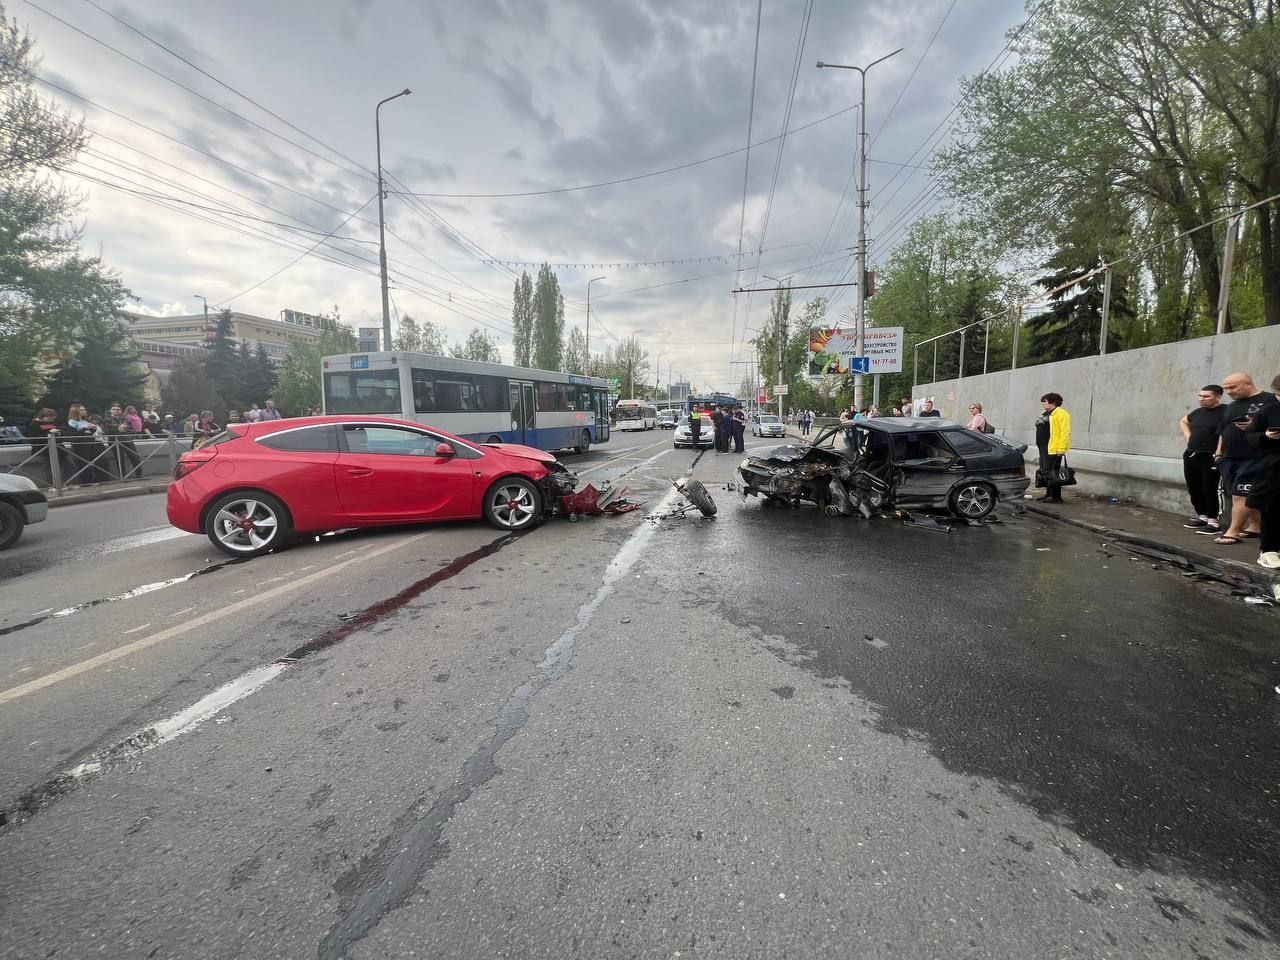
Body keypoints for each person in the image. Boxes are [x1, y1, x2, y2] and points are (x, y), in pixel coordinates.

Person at [1206, 372, 1280, 545]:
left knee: (1241, 494)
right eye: (1226, 388)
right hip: (1230, 457)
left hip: (1254, 457)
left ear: (1247, 383)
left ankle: (1233, 531)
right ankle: (1255, 527)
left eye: (1233, 387)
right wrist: (1218, 454)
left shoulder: (1270, 400)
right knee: (1241, 494)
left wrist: (1254, 426)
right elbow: (1223, 431)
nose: (1229, 391)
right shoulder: (1232, 406)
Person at [1178, 384, 1226, 531]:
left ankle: (1213, 521)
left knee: (1209, 488)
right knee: (1194, 486)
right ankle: (1202, 516)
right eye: (1200, 396)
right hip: (1192, 454)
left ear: (1217, 397)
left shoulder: (1226, 411)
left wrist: (1219, 452)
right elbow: (1183, 421)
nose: (1201, 399)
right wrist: (1188, 436)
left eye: (1206, 396)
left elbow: (1226, 433)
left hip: (1210, 455)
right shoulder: (1198, 412)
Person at [1247, 374, 1280, 568]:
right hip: (1274, 467)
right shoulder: (1269, 410)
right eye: (1278, 394)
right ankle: (1268, 550)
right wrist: (1266, 436)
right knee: (1272, 508)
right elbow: (1250, 437)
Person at [1035, 392, 1071, 503]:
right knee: (1046, 472)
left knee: (1053, 472)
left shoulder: (1061, 413)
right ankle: (1048, 494)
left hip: (1053, 448)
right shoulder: (1046, 413)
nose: (1042, 404)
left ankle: (1056, 497)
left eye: (1044, 401)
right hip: (1043, 447)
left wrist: (1061, 449)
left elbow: (1065, 432)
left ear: (1053, 401)